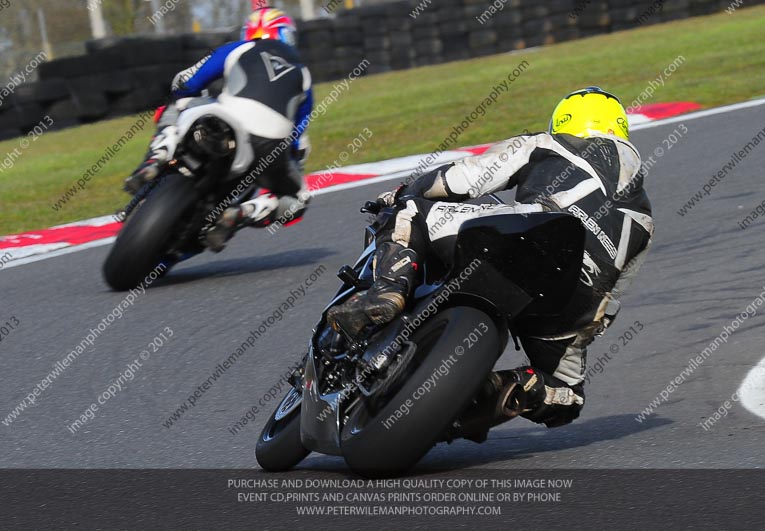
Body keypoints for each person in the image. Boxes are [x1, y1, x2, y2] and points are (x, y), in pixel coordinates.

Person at [327, 87, 653, 428]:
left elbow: (463, 178)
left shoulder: (548, 143)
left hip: (526, 243)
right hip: (574, 303)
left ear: (563, 121)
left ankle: (387, 292)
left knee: (409, 212)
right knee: (566, 395)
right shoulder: (645, 217)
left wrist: (403, 192)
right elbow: (613, 300)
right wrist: (579, 332)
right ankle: (473, 404)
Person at [124, 7, 313, 251]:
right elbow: (298, 142)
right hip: (270, 147)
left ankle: (158, 156)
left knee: (178, 104)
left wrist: (192, 98)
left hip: (225, 118)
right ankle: (242, 213)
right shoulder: (304, 75)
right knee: (299, 199)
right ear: (287, 36)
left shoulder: (238, 48)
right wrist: (288, 169)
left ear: (248, 32)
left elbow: (185, 81)